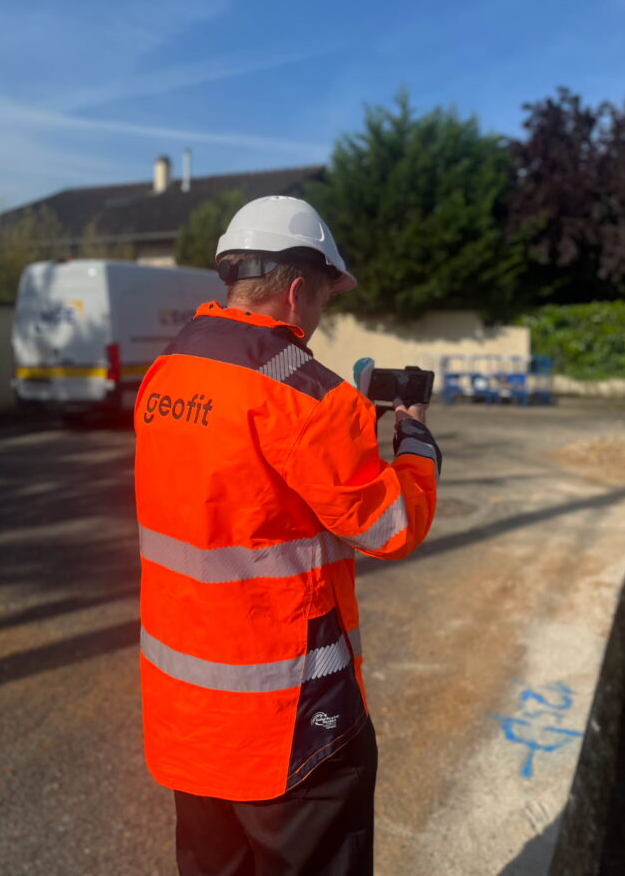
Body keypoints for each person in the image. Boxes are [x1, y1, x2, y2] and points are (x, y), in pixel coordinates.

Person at [134, 195, 441, 876]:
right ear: (300, 289)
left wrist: (344, 420)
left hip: (189, 713)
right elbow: (391, 524)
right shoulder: (309, 395)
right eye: (325, 297)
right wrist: (413, 438)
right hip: (291, 726)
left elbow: (250, 484)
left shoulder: (169, 371)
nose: (321, 314)